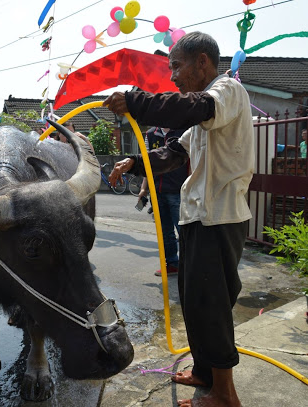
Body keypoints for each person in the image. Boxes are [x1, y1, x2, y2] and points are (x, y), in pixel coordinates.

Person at [105, 32, 252, 407]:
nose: (173, 77)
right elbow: (171, 154)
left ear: (202, 62)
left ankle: (225, 395)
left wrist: (136, 100)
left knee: (212, 306)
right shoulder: (203, 115)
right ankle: (204, 371)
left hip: (219, 219)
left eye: (177, 67)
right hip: (199, 219)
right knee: (195, 302)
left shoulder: (226, 93)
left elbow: (192, 107)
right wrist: (134, 162)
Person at [138, 127, 189, 277]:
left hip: (178, 190)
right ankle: (172, 264)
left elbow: (192, 160)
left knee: (184, 231)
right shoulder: (150, 134)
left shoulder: (183, 131)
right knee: (165, 232)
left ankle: (189, 266)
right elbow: (147, 163)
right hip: (157, 191)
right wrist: (143, 188)